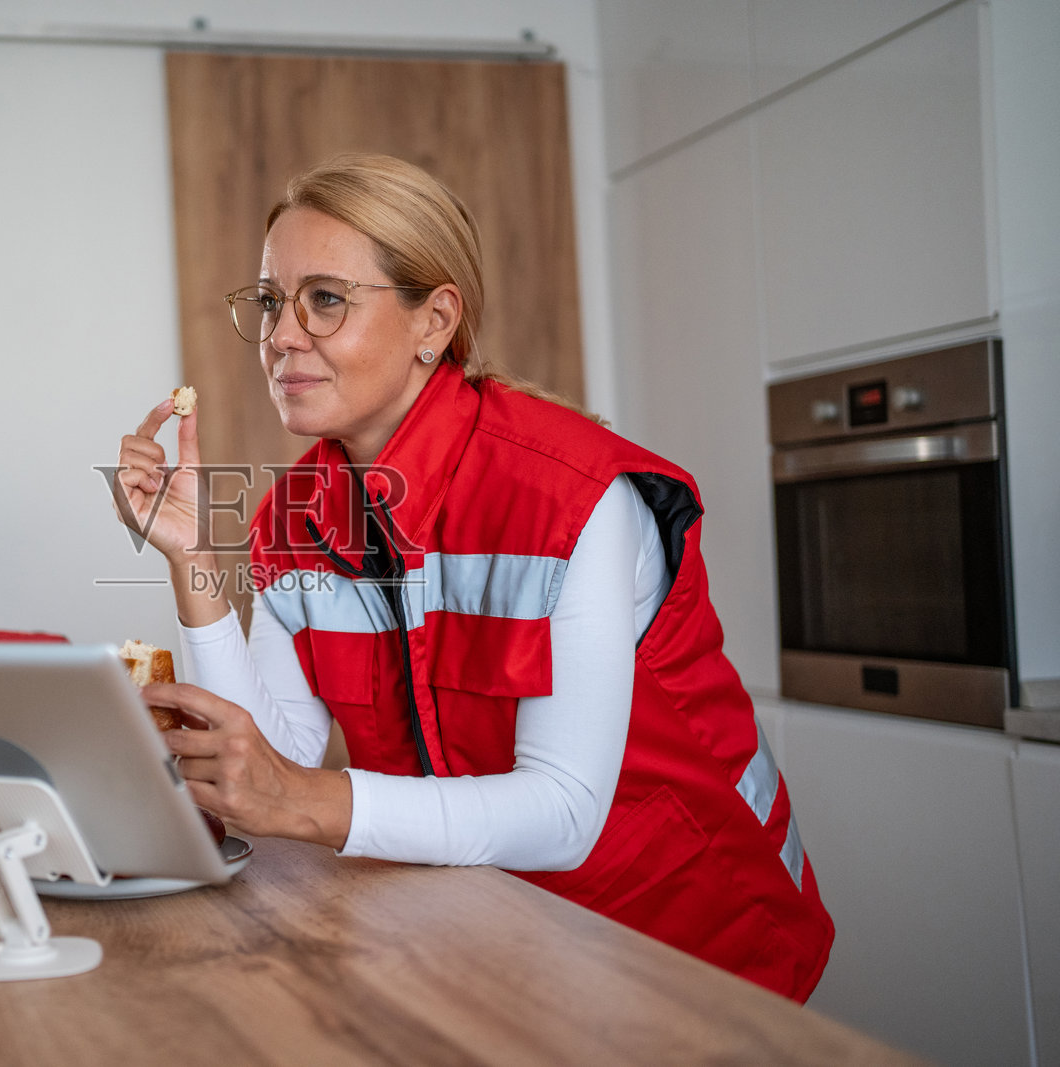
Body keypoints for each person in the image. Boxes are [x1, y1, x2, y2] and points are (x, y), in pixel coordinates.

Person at [111, 153, 833, 1001]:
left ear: (434, 321)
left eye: (326, 299)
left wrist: (307, 800)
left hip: (692, 937)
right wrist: (193, 560)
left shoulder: (573, 495)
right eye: (271, 301)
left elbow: (562, 813)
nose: (280, 335)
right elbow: (267, 768)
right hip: (502, 930)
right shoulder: (298, 515)